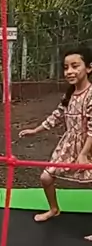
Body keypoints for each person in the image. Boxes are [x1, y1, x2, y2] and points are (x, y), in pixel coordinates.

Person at [19, 45, 92, 225]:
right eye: (66, 67)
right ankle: (54, 209)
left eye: (75, 66)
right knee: (46, 177)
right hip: (69, 144)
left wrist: (84, 153)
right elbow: (56, 116)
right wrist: (35, 130)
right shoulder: (70, 94)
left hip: (88, 145)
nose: (69, 71)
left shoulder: (90, 95)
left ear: (89, 68)